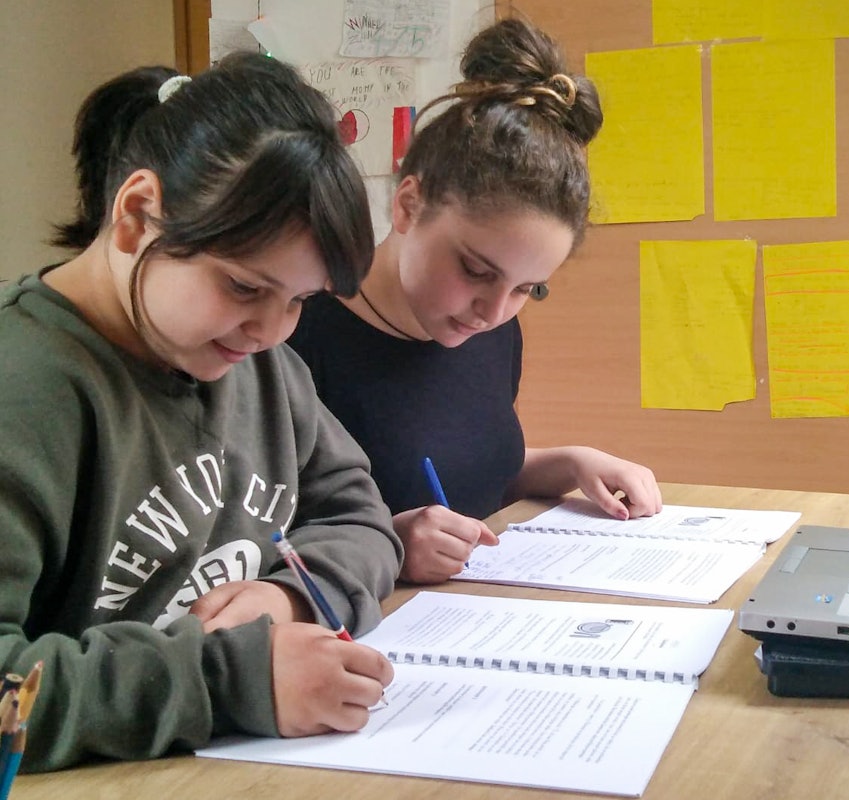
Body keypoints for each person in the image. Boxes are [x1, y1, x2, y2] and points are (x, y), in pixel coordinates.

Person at [0, 53, 404, 772]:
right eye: (245, 288)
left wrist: (290, 600)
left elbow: (361, 519)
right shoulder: (25, 389)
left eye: (299, 302)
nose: (273, 331)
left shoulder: (255, 363)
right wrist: (228, 680)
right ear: (134, 216)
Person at [288, 18, 663, 585]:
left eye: (526, 289)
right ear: (409, 205)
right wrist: (385, 547)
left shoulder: (485, 328)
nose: (493, 311)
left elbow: (467, 479)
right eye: (476, 270)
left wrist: (568, 462)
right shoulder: (292, 337)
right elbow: (240, 546)